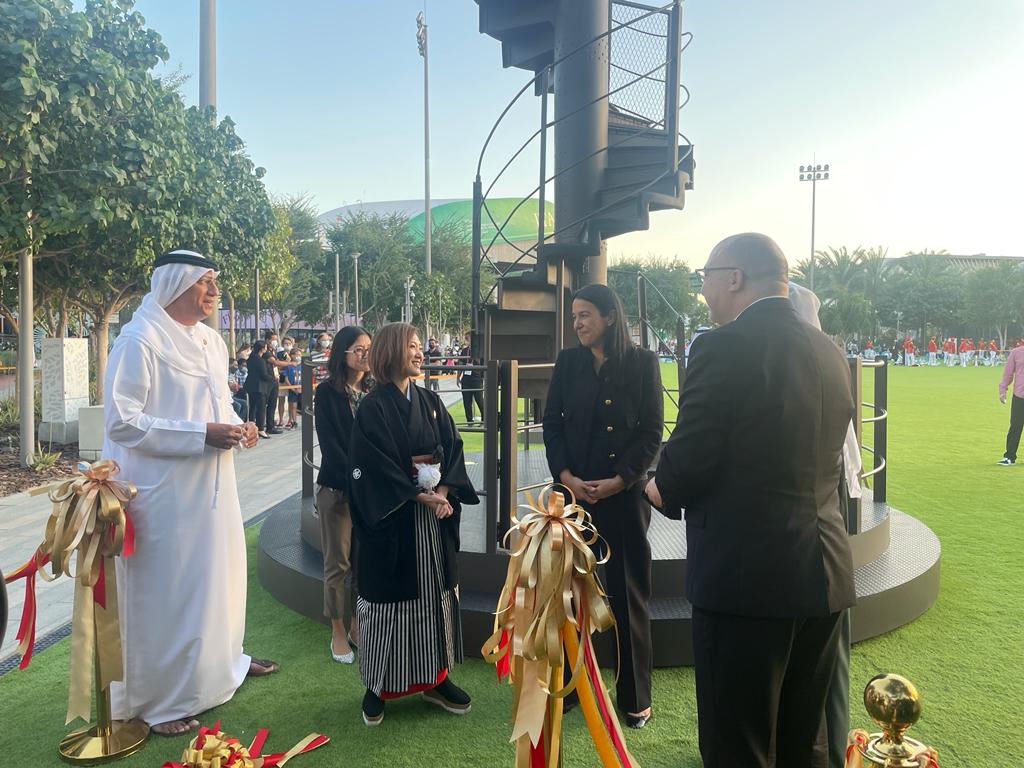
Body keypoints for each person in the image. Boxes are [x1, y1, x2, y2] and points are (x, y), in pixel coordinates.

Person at [645, 233, 856, 768]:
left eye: (705, 278)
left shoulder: (722, 346)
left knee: (738, 744)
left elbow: (684, 465)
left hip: (747, 586)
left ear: (733, 277)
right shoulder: (830, 350)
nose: (705, 292)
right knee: (803, 741)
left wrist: (652, 486)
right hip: (823, 575)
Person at [103, 250, 277, 736]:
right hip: (161, 495)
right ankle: (158, 702)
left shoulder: (210, 343)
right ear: (175, 286)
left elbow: (215, 406)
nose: (215, 293)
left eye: (214, 283)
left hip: (214, 490)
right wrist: (200, 434)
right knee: (168, 592)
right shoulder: (138, 341)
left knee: (217, 580)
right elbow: (122, 421)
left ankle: (221, 671)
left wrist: (240, 430)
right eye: (206, 283)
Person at [543, 283, 664, 729]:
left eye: (585, 315)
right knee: (569, 595)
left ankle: (635, 696)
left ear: (610, 316)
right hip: (572, 499)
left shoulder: (642, 364)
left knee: (629, 595)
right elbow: (551, 423)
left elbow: (653, 432)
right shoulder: (568, 362)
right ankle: (573, 686)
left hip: (624, 499)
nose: (577, 323)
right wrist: (567, 476)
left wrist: (620, 480)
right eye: (574, 316)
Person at [348, 322, 479, 726]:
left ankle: (436, 679)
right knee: (390, 603)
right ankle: (378, 685)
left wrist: (445, 489)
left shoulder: (431, 402)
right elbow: (371, 465)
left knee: (434, 597)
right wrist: (413, 490)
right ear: (391, 352)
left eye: (421, 346)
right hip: (393, 518)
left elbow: (452, 449)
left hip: (431, 520)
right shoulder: (372, 406)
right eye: (412, 347)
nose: (420, 353)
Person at [314, 325, 373, 664]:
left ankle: (356, 625)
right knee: (337, 564)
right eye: (358, 348)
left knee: (363, 563)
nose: (365, 354)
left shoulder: (374, 390)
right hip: (338, 489)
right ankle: (337, 629)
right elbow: (333, 447)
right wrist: (358, 479)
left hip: (368, 494)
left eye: (368, 348)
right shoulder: (327, 393)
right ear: (343, 353)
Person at [243, 340, 276, 438]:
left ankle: (251, 428)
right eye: (265, 348)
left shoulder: (250, 359)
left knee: (252, 408)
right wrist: (273, 378)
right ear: (262, 349)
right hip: (259, 387)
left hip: (250, 385)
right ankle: (260, 429)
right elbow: (264, 375)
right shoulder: (260, 360)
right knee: (261, 408)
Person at [998, 341, 1024, 465]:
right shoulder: (1016, 353)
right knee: (1015, 427)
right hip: (1020, 396)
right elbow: (1008, 373)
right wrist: (1003, 389)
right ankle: (1009, 456)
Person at [456, 340, 484, 424]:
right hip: (466, 378)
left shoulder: (480, 351)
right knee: (466, 401)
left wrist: (475, 357)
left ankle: (484, 419)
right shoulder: (464, 351)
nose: (469, 341)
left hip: (477, 378)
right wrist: (458, 377)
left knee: (479, 400)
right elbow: (460, 365)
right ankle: (469, 421)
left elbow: (482, 364)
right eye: (467, 339)